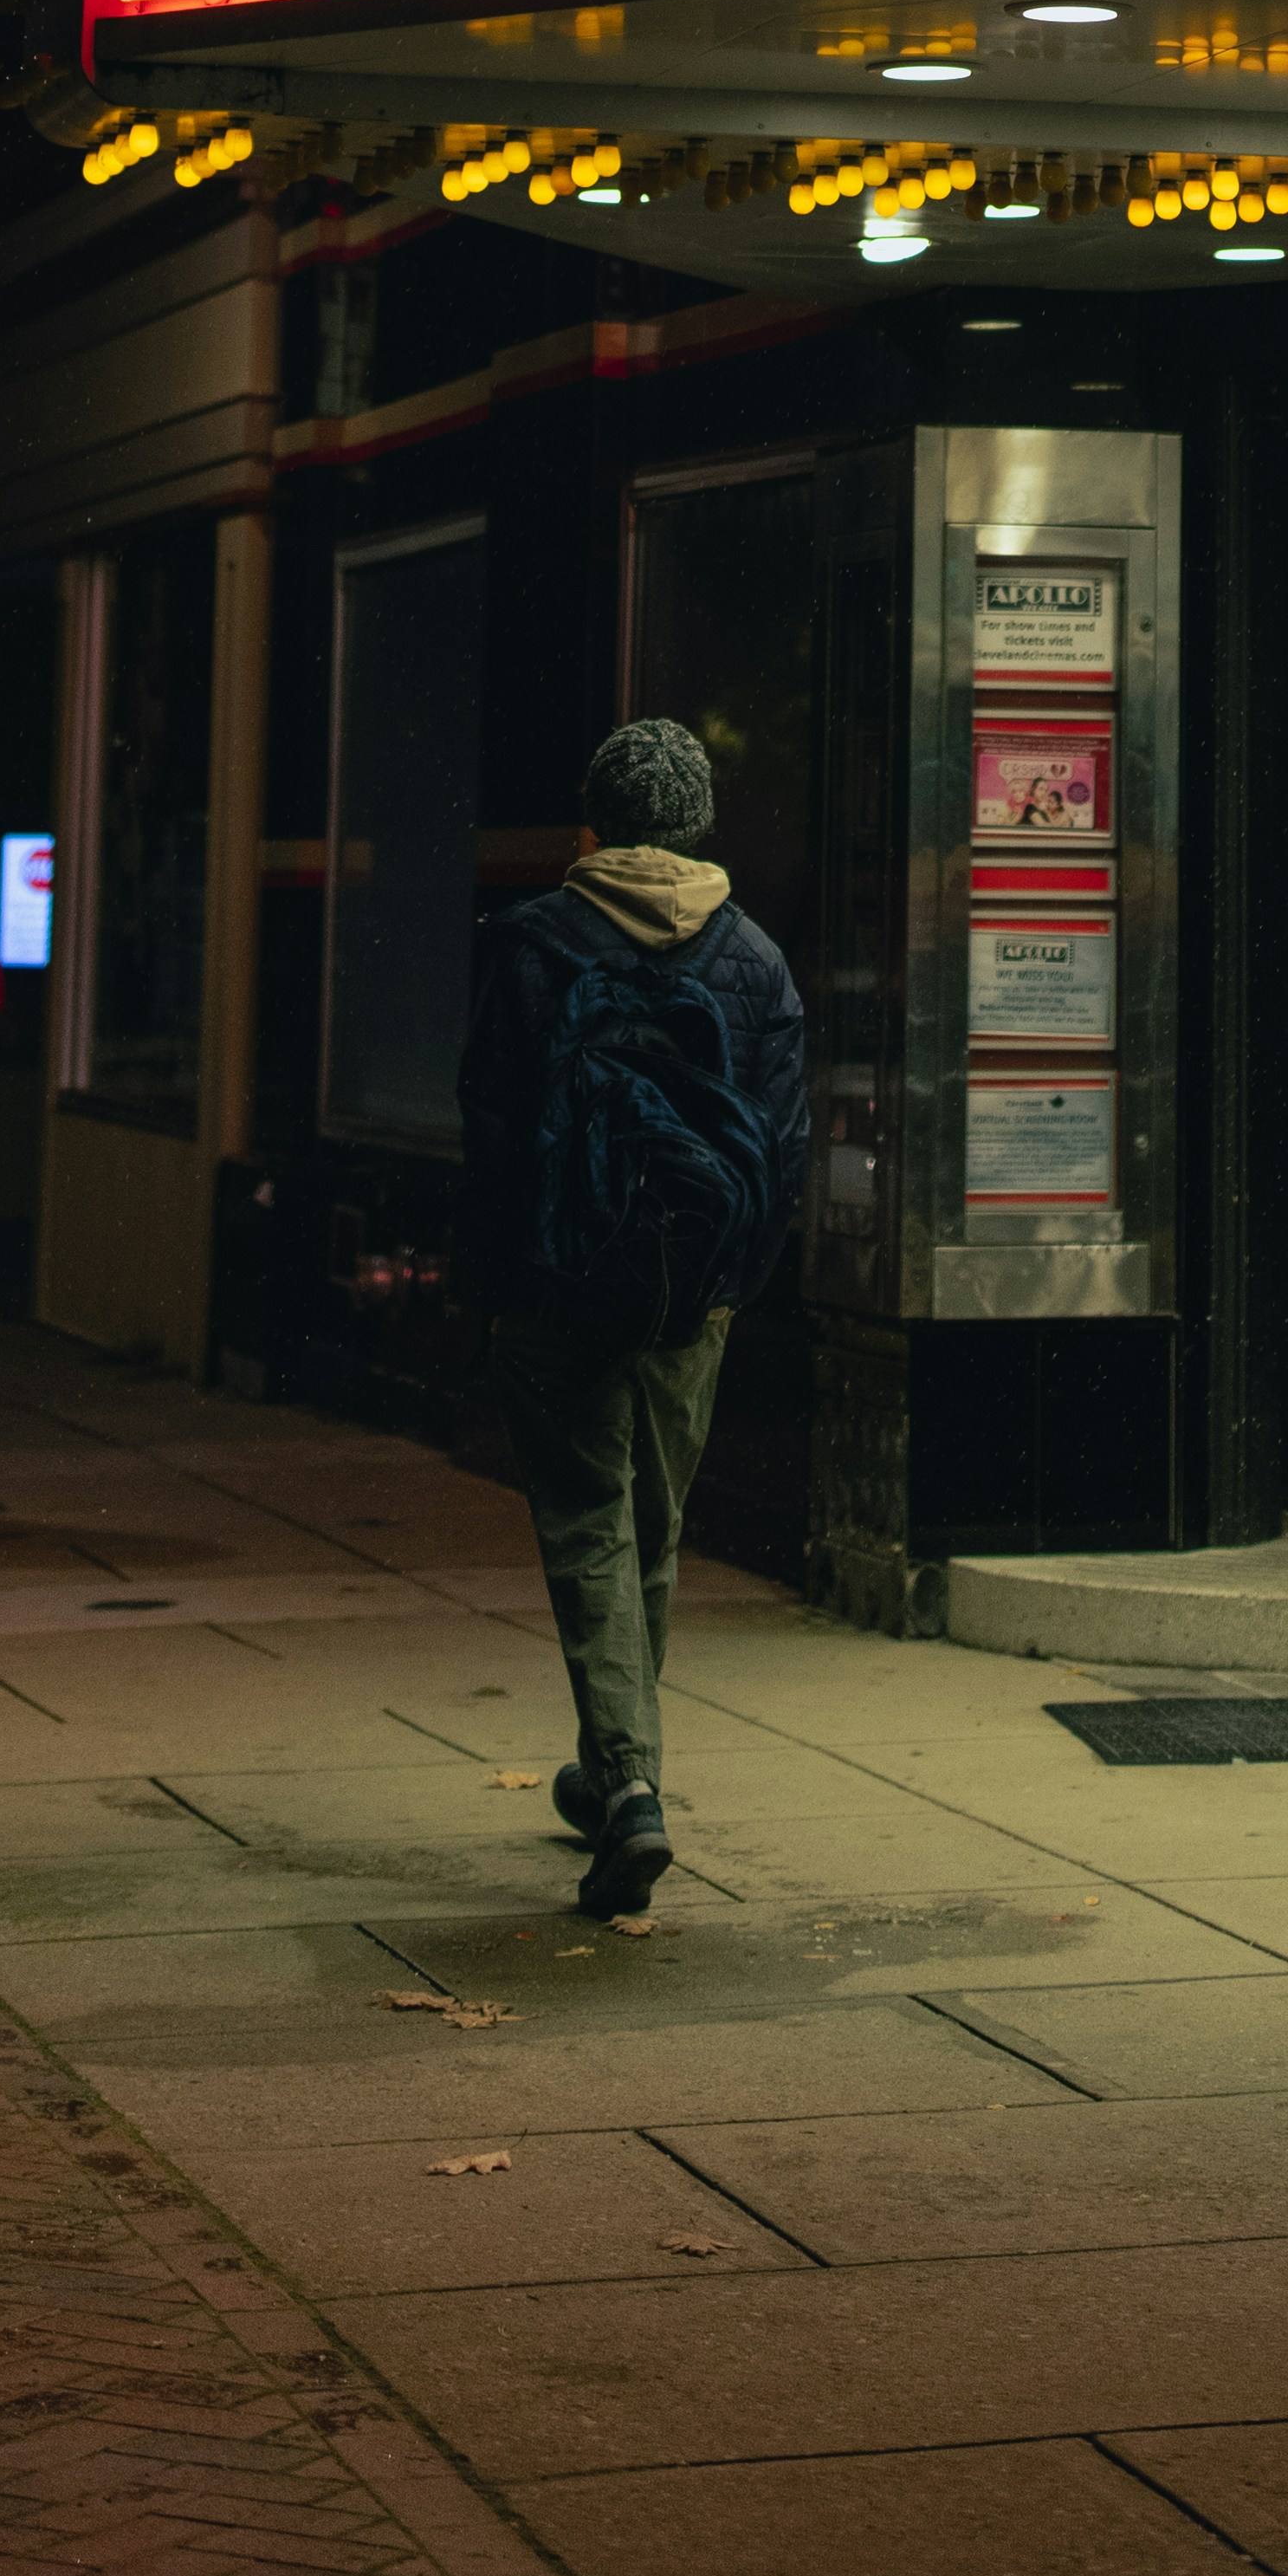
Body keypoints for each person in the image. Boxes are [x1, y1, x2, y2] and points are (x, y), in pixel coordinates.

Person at [454, 712, 807, 1919]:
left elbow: (493, 1129)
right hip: (688, 1288)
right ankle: (617, 1767)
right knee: (648, 1528)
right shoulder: (754, 954)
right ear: (700, 824)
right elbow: (784, 1134)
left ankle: (628, 1782)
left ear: (591, 827)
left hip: (558, 1281)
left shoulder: (532, 938)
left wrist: (486, 1286)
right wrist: (728, 1285)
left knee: (586, 1524)